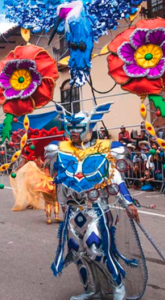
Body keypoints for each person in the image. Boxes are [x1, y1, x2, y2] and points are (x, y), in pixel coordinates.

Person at [48, 106, 145, 300]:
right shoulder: (60, 150)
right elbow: (60, 182)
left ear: (89, 127)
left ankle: (117, 286)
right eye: (70, 127)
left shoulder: (106, 149)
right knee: (78, 253)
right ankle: (92, 290)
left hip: (96, 210)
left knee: (96, 249)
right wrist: (62, 206)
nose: (73, 131)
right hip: (73, 212)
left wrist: (128, 203)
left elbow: (116, 177)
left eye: (78, 127)